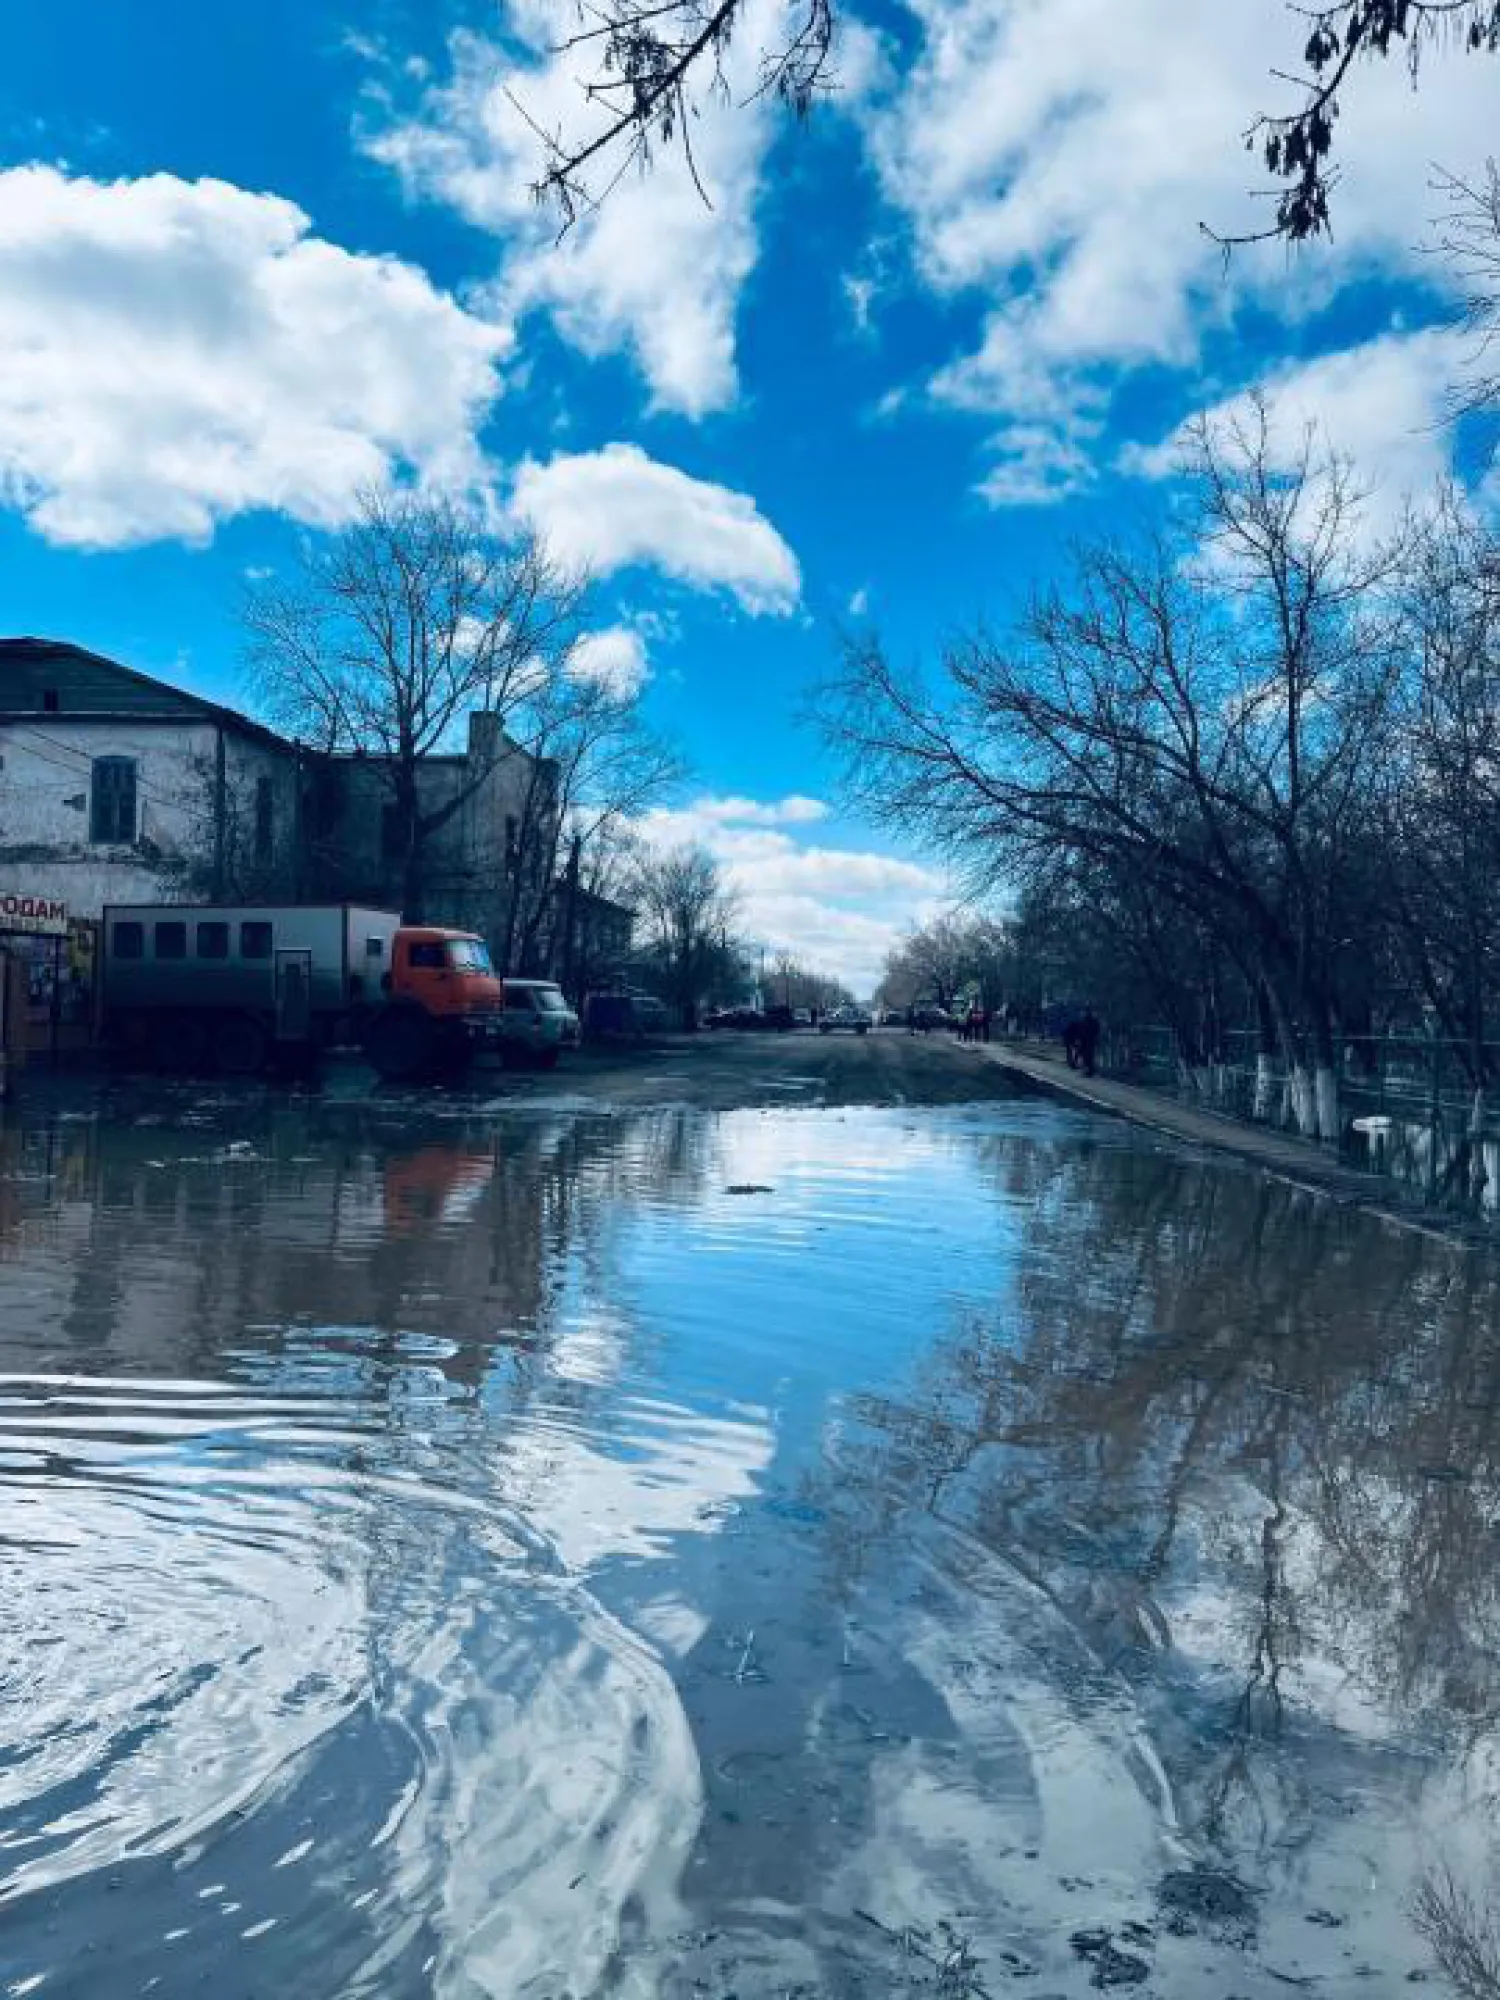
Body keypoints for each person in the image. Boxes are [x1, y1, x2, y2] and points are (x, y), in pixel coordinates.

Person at [1077, 1007, 1101, 1078]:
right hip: (1089, 1041)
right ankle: (1089, 1071)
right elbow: (1097, 1030)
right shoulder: (1092, 1021)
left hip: (1087, 1041)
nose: (1082, 1013)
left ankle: (1089, 1071)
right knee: (1088, 1056)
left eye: (1083, 1012)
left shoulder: (1086, 1021)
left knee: (1087, 1056)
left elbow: (1083, 1031)